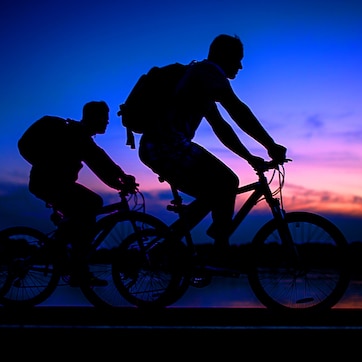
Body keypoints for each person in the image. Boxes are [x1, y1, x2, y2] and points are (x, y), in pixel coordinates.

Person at [138, 34, 287, 260]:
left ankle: (166, 248)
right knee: (226, 182)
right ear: (223, 56)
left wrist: (249, 157)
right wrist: (270, 144)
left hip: (161, 146)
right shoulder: (208, 73)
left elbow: (222, 128)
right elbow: (237, 109)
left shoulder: (200, 80)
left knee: (217, 191)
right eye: (237, 59)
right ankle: (220, 250)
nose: (240, 66)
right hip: (165, 145)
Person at [22, 100, 137, 287]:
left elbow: (99, 162)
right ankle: (77, 269)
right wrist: (121, 180)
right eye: (104, 119)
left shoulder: (80, 135)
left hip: (51, 183)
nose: (107, 123)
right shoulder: (78, 134)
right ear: (95, 117)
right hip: (48, 183)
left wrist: (119, 181)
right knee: (91, 205)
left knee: (86, 210)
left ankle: (65, 251)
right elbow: (99, 161)